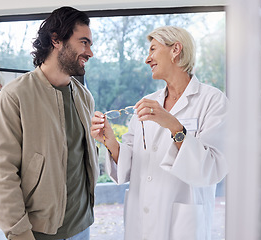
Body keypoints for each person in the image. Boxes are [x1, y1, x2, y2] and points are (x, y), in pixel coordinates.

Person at [91, 26, 228, 240]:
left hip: (183, 226)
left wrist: (174, 126)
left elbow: (212, 168)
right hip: (140, 223)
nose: (148, 59)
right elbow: (129, 166)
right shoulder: (147, 103)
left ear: (176, 50)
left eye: (153, 49)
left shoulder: (213, 101)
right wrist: (110, 141)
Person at [0, 6, 99, 240]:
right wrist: (20, 233)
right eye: (84, 42)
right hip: (38, 233)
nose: (90, 52)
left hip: (82, 226)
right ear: (56, 40)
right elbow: (2, 171)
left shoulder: (84, 96)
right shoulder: (14, 96)